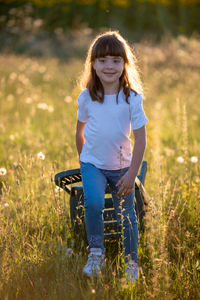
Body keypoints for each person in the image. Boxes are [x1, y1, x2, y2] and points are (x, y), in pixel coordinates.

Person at [75, 30, 148, 282]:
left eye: (116, 60)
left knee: (126, 213)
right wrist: (85, 161)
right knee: (93, 203)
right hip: (92, 163)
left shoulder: (132, 99)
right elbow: (80, 131)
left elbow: (141, 139)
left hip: (121, 166)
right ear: (93, 64)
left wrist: (132, 174)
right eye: (103, 60)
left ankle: (131, 263)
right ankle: (96, 252)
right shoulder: (87, 97)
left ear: (124, 65)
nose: (109, 66)